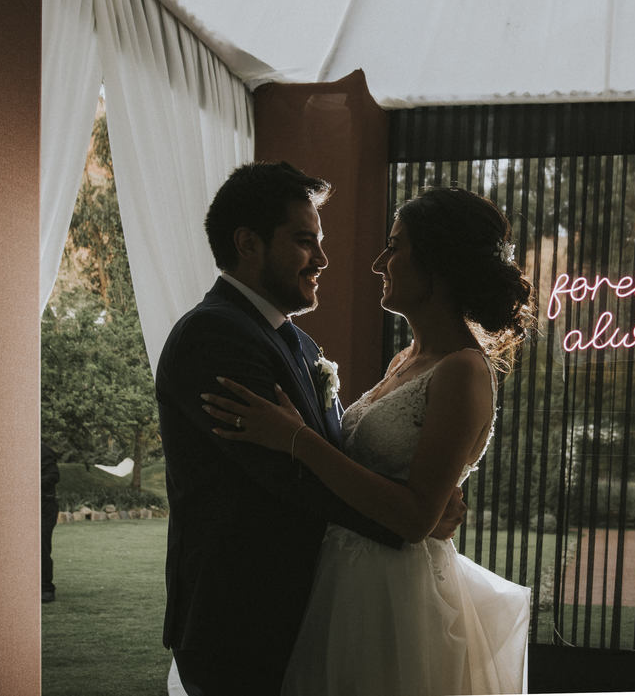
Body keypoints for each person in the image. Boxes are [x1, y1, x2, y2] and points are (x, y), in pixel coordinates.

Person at [203, 186, 534, 695]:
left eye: (395, 247)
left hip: (394, 596)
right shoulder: (406, 359)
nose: (380, 262)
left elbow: (415, 517)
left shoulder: (463, 371)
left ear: (437, 264)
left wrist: (297, 439)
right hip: (342, 578)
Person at [156, 162, 465, 696]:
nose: (322, 259)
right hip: (242, 619)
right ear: (248, 243)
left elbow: (330, 453)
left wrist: (422, 493)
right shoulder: (211, 336)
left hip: (310, 612)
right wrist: (410, 515)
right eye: (305, 242)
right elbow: (288, 478)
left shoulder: (299, 343)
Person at [41, 441, 60, 604]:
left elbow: (54, 476)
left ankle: (46, 588)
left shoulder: (44, 451)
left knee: (41, 545)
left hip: (44, 506)